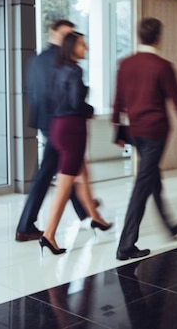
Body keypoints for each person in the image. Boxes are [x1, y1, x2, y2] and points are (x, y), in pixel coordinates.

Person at [112, 17, 177, 261]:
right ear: (158, 37)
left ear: (139, 36)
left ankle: (170, 227)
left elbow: (117, 99)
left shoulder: (125, 64)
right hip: (156, 133)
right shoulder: (162, 66)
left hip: (135, 132)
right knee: (143, 185)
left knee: (152, 178)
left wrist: (117, 131)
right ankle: (126, 245)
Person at [16, 20, 92, 242]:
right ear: (54, 33)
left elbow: (28, 91)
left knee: (65, 170)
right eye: (67, 34)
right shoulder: (61, 61)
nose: (71, 38)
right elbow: (65, 97)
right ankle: (27, 226)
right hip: (60, 123)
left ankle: (85, 211)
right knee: (53, 173)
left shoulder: (37, 59)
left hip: (45, 121)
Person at [39, 32, 111, 255]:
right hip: (73, 129)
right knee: (65, 184)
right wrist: (90, 110)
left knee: (82, 174)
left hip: (58, 127)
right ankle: (49, 235)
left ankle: (96, 217)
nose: (86, 47)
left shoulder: (55, 69)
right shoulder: (74, 70)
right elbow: (76, 103)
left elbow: (50, 101)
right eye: (82, 44)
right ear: (71, 47)